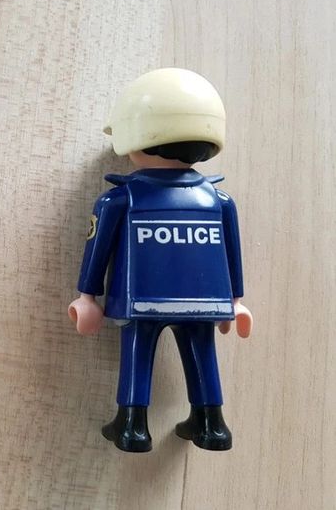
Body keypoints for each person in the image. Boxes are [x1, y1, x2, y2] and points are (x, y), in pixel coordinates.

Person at [68, 69, 253, 452]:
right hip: (202, 303)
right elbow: (231, 254)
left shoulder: (120, 199)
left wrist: (88, 296)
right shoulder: (218, 201)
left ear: (135, 136)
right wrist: (234, 301)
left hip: (142, 301)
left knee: (137, 354)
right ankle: (211, 424)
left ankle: (132, 426)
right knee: (202, 354)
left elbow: (97, 249)